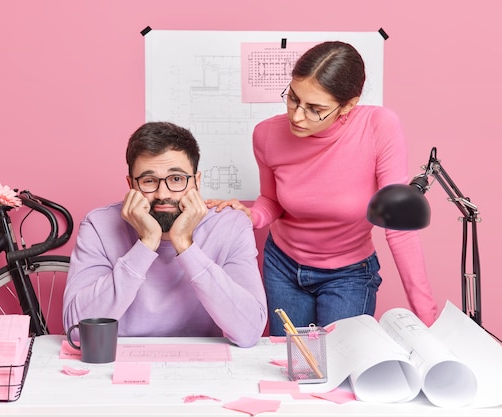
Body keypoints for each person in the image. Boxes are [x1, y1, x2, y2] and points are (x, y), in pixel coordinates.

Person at [206, 41, 437, 335]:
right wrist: (251, 216)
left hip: (349, 275)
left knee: (342, 366)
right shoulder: (266, 134)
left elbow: (399, 226)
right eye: (293, 98)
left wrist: (427, 319)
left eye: (316, 109)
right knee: (295, 367)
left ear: (348, 105)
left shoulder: (379, 127)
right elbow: (271, 200)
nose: (297, 116)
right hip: (283, 268)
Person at [63, 121, 267, 348]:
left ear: (196, 182)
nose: (163, 193)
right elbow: (77, 332)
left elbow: (249, 332)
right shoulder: (98, 226)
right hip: (119, 362)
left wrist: (185, 245)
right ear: (131, 184)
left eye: (177, 179)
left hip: (202, 364)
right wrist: (146, 243)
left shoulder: (231, 225)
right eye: (149, 181)